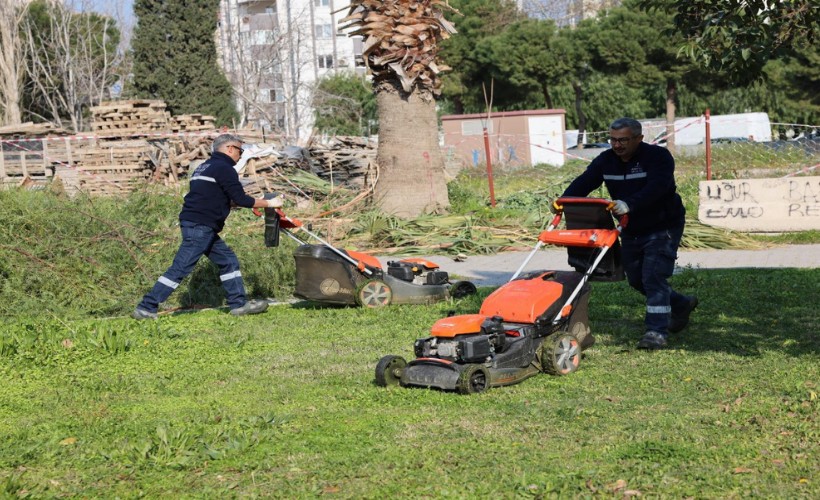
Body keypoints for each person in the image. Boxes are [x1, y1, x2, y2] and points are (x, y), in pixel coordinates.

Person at [559, 117, 698, 349]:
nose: (617, 145)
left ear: (639, 138)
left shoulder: (658, 158)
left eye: (623, 140)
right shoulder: (606, 161)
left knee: (654, 276)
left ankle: (656, 332)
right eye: (612, 140)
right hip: (631, 227)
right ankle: (681, 304)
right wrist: (564, 200)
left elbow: (658, 188)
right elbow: (585, 181)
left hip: (662, 225)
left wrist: (629, 204)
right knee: (636, 279)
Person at [133, 133, 283, 320]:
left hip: (198, 224)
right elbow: (241, 199)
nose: (241, 154)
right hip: (200, 226)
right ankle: (146, 307)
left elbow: (216, 197)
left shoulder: (204, 167)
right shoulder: (225, 168)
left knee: (228, 261)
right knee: (180, 267)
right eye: (240, 150)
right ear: (229, 149)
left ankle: (238, 304)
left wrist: (254, 203)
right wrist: (270, 204)